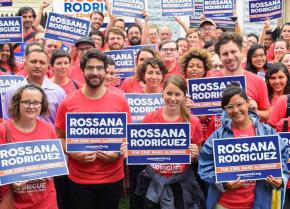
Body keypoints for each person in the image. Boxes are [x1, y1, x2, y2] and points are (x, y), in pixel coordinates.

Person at [55, 49, 131, 209]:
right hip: (79, 179)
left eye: (99, 68)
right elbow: (59, 138)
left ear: (105, 71)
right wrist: (72, 151)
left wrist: (118, 152)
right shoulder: (68, 103)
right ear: (82, 70)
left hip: (113, 177)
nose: (94, 72)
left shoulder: (120, 101)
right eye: (90, 68)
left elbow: (128, 137)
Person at [198, 82, 289, 209]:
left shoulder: (266, 131)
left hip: (258, 204)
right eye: (230, 107)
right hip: (224, 205)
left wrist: (281, 180)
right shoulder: (217, 136)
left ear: (247, 103)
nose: (235, 110)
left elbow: (284, 157)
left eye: (239, 104)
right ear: (224, 110)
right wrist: (223, 184)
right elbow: (204, 167)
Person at [131, 75, 206, 209]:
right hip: (154, 179)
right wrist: (131, 150)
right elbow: (141, 151)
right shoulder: (150, 118)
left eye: (178, 94)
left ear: (184, 96)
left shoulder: (193, 121)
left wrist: (195, 155)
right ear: (162, 93)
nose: (172, 98)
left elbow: (196, 156)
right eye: (169, 93)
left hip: (181, 182)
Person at [0, 84, 58, 209]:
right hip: (15, 203)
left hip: (46, 203)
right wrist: (10, 181)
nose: (31, 106)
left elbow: (56, 165)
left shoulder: (49, 129)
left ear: (42, 105)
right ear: (18, 103)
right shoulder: (3, 130)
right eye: (26, 102)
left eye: (36, 102)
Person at [209, 32, 270, 121]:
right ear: (219, 57)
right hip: (219, 134)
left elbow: (267, 115)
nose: (230, 57)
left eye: (233, 52)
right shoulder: (211, 82)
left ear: (242, 52)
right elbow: (202, 118)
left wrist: (255, 111)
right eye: (225, 54)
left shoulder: (258, 81)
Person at [4, 49, 65, 124]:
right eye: (33, 61)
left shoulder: (58, 92)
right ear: (25, 65)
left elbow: (62, 123)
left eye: (42, 63)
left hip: (49, 135)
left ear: (48, 68)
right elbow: (8, 121)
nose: (37, 66)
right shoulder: (12, 91)